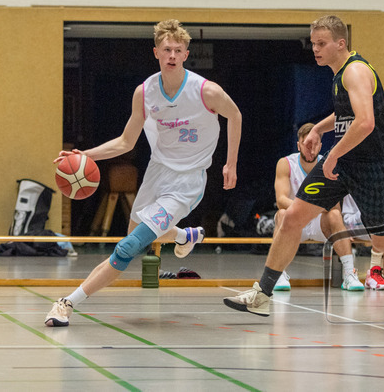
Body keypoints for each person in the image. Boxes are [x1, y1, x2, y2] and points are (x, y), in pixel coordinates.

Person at [223, 15, 384, 316]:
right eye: (313, 43)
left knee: (383, 238)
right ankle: (263, 293)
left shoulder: (355, 72)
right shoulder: (338, 74)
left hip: (375, 167)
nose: (315, 49)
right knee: (291, 217)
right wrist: (318, 128)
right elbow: (345, 115)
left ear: (340, 43)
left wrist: (331, 155)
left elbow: (366, 122)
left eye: (321, 43)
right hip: (345, 164)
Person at [44, 19, 242, 327]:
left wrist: (230, 163)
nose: (172, 55)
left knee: (129, 246)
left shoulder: (206, 91)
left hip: (187, 182)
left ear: (186, 54)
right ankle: (183, 235)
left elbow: (236, 115)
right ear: (156, 53)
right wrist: (85, 155)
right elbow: (125, 142)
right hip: (157, 172)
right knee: (138, 232)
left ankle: (67, 303)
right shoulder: (145, 92)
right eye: (166, 49)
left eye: (178, 50)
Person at [271, 122, 365, 292]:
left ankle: (349, 274)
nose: (310, 148)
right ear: (298, 144)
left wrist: (313, 210)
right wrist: (305, 209)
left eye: (314, 144)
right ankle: (279, 274)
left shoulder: (328, 164)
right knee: (281, 214)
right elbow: (281, 200)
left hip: (318, 222)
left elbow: (334, 204)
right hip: (295, 221)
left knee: (335, 216)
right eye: (306, 144)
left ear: (320, 145)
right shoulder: (285, 164)